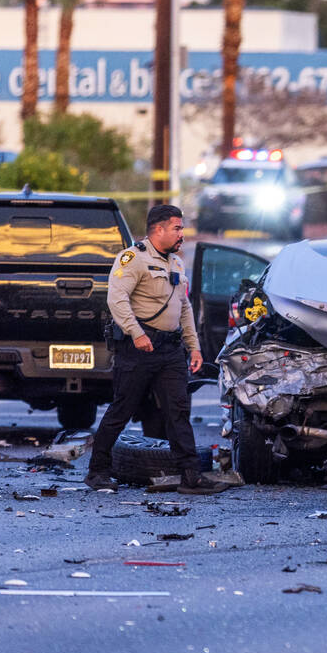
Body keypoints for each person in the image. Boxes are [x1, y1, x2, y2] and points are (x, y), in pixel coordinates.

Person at [86, 204, 227, 495]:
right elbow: (117, 299)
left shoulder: (175, 262)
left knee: (178, 412)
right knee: (122, 409)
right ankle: (97, 470)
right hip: (139, 349)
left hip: (170, 351)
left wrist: (195, 347)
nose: (182, 234)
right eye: (177, 228)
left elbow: (184, 307)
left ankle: (191, 477)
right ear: (159, 229)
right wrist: (136, 334)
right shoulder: (133, 258)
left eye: (181, 228)